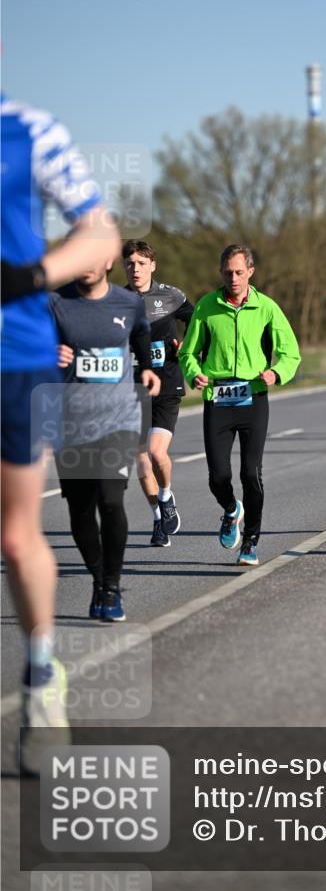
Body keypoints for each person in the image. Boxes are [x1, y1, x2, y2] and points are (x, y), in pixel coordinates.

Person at [1, 93, 119, 774]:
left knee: (16, 537)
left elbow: (100, 234)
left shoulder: (28, 130)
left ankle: (43, 678)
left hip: (14, 355)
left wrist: (28, 276)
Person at [178, 244, 301, 566]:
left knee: (251, 474)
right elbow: (187, 353)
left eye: (238, 272)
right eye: (227, 273)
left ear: (250, 272)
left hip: (253, 398)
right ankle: (232, 510)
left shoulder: (266, 308)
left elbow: (291, 352)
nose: (233, 278)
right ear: (221, 273)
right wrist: (194, 375)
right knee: (218, 476)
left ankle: (251, 542)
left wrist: (277, 372)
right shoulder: (207, 306)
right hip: (217, 399)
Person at [51, 263, 160, 621]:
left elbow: (142, 334)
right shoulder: (56, 302)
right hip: (70, 422)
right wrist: (49, 355)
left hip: (118, 419)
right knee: (81, 510)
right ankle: (98, 581)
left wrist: (146, 366)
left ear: (109, 260)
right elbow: (26, 347)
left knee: (111, 500)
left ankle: (112, 587)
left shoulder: (128, 303)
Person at [123, 240, 194, 546]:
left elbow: (198, 323)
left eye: (141, 263)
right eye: (130, 263)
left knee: (156, 453)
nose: (135, 269)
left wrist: (187, 345)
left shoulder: (172, 295)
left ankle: (166, 497)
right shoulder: (115, 300)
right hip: (132, 387)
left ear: (152, 265)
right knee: (140, 461)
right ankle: (158, 520)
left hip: (166, 383)